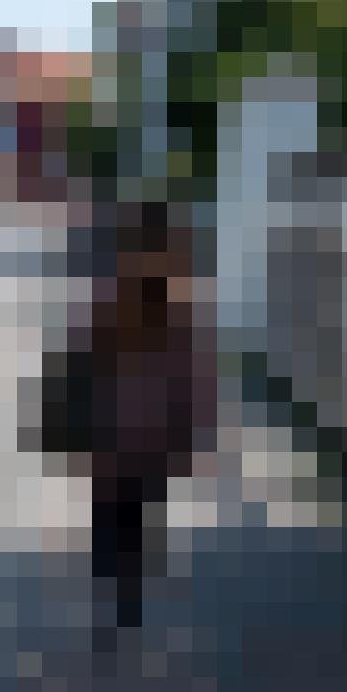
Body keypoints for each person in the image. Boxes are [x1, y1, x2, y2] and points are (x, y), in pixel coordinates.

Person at [73, 201, 216, 652]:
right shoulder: (173, 299)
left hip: (117, 427)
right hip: (146, 429)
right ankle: (125, 596)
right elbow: (189, 370)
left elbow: (89, 361)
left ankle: (113, 593)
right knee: (133, 515)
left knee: (112, 514)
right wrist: (189, 430)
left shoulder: (116, 297)